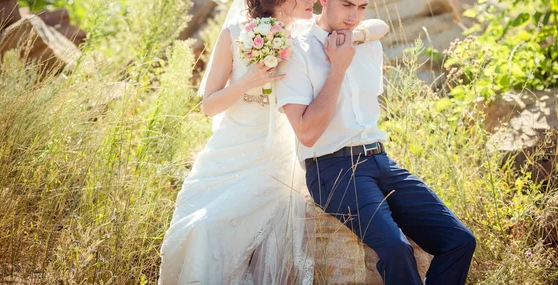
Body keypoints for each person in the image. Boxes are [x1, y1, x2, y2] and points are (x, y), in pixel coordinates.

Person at [158, 0, 389, 284]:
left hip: (274, 156)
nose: (313, 2)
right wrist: (248, 81)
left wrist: (355, 36)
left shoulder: (307, 31)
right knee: (197, 227)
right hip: (228, 149)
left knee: (211, 228)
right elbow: (209, 105)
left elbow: (380, 26)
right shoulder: (234, 33)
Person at [276, 0, 477, 284]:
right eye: (347, 5)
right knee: (397, 249)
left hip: (380, 161)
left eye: (362, 7)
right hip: (333, 169)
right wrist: (338, 69)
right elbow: (306, 133)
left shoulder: (367, 41)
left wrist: (356, 37)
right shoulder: (297, 51)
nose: (354, 16)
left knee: (460, 240)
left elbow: (376, 27)